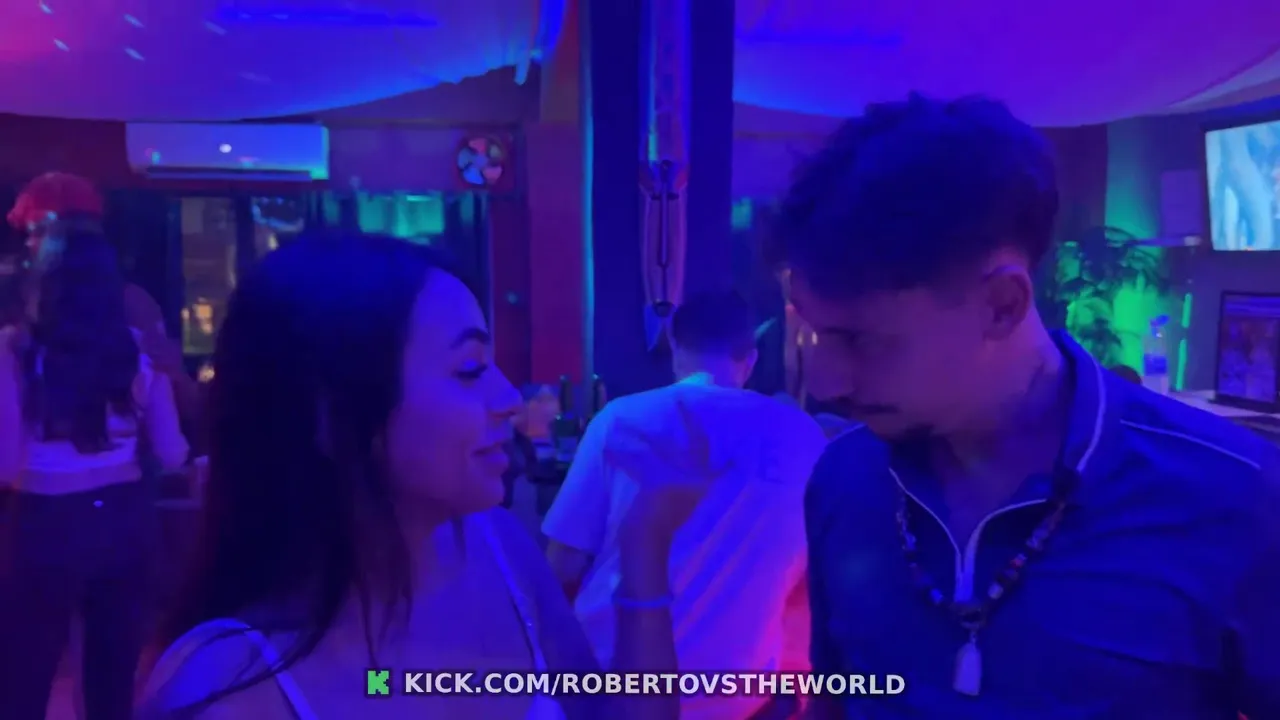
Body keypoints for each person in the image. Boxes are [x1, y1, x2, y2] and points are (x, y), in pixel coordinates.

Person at [767, 93, 1280, 718]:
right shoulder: (846, 477)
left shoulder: (1238, 496)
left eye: (861, 341)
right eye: (814, 335)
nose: (825, 382)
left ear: (1002, 304)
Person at [136, 233, 692, 720]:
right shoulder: (226, 689)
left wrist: (645, 546)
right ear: (333, 417)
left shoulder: (499, 549)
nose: (507, 399)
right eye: (469, 369)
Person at [543, 290, 828, 720]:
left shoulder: (622, 419)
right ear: (749, 359)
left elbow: (562, 566)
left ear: (674, 345)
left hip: (612, 681)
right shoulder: (803, 434)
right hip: (739, 699)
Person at [0, 217, 190, 719]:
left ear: (42, 283)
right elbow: (173, 453)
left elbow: (5, 461)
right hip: (125, 522)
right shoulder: (138, 352)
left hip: (43, 522)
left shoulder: (14, 351)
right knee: (111, 684)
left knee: (23, 680)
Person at [7, 172, 203, 444]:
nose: (29, 243)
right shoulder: (21, 299)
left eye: (38, 232)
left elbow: (171, 387)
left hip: (79, 457)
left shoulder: (131, 304)